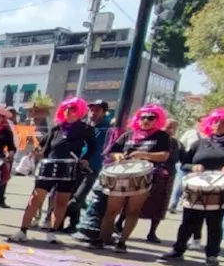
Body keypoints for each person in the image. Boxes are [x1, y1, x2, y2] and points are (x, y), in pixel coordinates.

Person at [160, 108, 224, 266]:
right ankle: (178, 249)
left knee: (214, 223)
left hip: (220, 189)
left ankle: (212, 255)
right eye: (215, 121)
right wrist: (194, 167)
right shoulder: (199, 143)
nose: (218, 125)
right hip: (197, 188)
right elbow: (185, 164)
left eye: (223, 123)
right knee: (188, 221)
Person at [9, 98, 94, 243]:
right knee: (35, 198)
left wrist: (85, 158)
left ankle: (52, 231)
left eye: (73, 109)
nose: (69, 112)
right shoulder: (57, 128)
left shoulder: (86, 129)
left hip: (68, 167)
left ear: (78, 111)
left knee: (61, 201)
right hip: (49, 165)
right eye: (66, 109)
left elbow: (92, 147)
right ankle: (22, 230)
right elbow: (44, 146)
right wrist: (36, 151)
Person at [92, 105, 172, 252]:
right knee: (111, 210)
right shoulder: (129, 135)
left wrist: (144, 155)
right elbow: (111, 152)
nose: (146, 120)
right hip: (121, 174)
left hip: (143, 176)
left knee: (133, 211)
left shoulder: (161, 136)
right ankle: (103, 239)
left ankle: (122, 242)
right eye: (143, 117)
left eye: (151, 118)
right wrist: (117, 156)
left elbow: (165, 155)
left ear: (157, 120)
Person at [67, 100, 114, 236]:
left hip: (94, 167)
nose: (93, 113)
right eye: (91, 110)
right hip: (78, 163)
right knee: (71, 193)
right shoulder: (85, 126)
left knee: (78, 198)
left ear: (104, 113)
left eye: (97, 111)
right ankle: (73, 224)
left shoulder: (108, 129)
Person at [143, 118, 180, 244]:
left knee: (160, 205)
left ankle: (152, 232)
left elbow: (182, 158)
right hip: (147, 173)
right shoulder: (152, 139)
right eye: (167, 126)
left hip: (166, 176)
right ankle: (120, 224)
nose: (169, 130)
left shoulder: (176, 143)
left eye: (173, 128)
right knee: (136, 202)